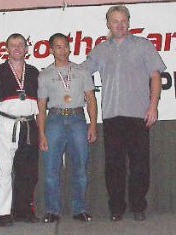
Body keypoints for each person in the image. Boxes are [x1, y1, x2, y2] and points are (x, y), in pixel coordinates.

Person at [83, 5, 166, 222]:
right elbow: (81, 72)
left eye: (123, 21)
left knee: (140, 164)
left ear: (128, 22)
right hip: (112, 116)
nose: (119, 25)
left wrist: (153, 106)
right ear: (108, 24)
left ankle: (139, 206)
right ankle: (116, 208)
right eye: (115, 21)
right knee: (114, 165)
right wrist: (57, 71)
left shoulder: (144, 45)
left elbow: (155, 77)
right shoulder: (100, 50)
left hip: (139, 114)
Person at [38, 33, 97, 223]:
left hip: (78, 119)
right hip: (54, 120)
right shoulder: (45, 74)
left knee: (80, 167)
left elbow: (91, 100)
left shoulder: (81, 71)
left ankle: (79, 209)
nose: (63, 50)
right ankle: (52, 210)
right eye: (58, 47)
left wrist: (93, 125)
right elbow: (40, 106)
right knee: (51, 169)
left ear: (70, 48)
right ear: (51, 50)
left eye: (65, 46)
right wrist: (41, 133)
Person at [0, 33, 39, 226]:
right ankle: (3, 212)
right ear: (7, 49)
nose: (17, 48)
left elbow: (42, 101)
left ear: (26, 49)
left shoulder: (34, 72)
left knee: (27, 170)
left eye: (21, 45)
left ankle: (23, 210)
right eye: (13, 45)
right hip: (6, 124)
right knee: (4, 169)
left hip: (29, 124)